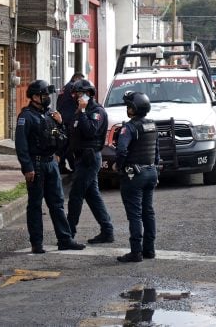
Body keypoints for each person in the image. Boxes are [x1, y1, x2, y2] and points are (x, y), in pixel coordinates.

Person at [15, 79, 86, 253]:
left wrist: (61, 123)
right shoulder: (26, 117)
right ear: (34, 97)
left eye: (48, 94)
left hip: (51, 164)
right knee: (35, 205)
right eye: (44, 94)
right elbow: (21, 145)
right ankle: (36, 243)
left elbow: (62, 139)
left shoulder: (51, 115)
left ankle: (65, 239)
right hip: (36, 165)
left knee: (57, 203)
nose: (47, 97)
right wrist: (27, 167)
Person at [113, 91, 159, 263]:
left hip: (134, 175)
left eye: (129, 106)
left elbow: (122, 149)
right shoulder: (152, 125)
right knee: (148, 212)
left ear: (134, 108)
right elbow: (156, 151)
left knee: (135, 214)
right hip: (151, 172)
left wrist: (119, 165)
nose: (127, 109)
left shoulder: (129, 127)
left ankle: (136, 252)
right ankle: (149, 249)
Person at [67, 79, 115, 244]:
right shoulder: (81, 110)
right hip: (80, 158)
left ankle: (68, 234)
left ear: (88, 94)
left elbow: (89, 131)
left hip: (90, 158)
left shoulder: (96, 112)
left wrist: (81, 112)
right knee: (92, 196)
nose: (77, 97)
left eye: (80, 94)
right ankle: (107, 230)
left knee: (75, 195)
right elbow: (74, 133)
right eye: (76, 94)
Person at [56, 72, 85, 174]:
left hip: (62, 117)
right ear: (76, 78)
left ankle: (63, 166)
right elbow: (79, 101)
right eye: (81, 80)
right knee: (68, 144)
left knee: (65, 143)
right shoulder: (73, 87)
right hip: (69, 119)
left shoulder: (65, 87)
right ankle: (69, 166)